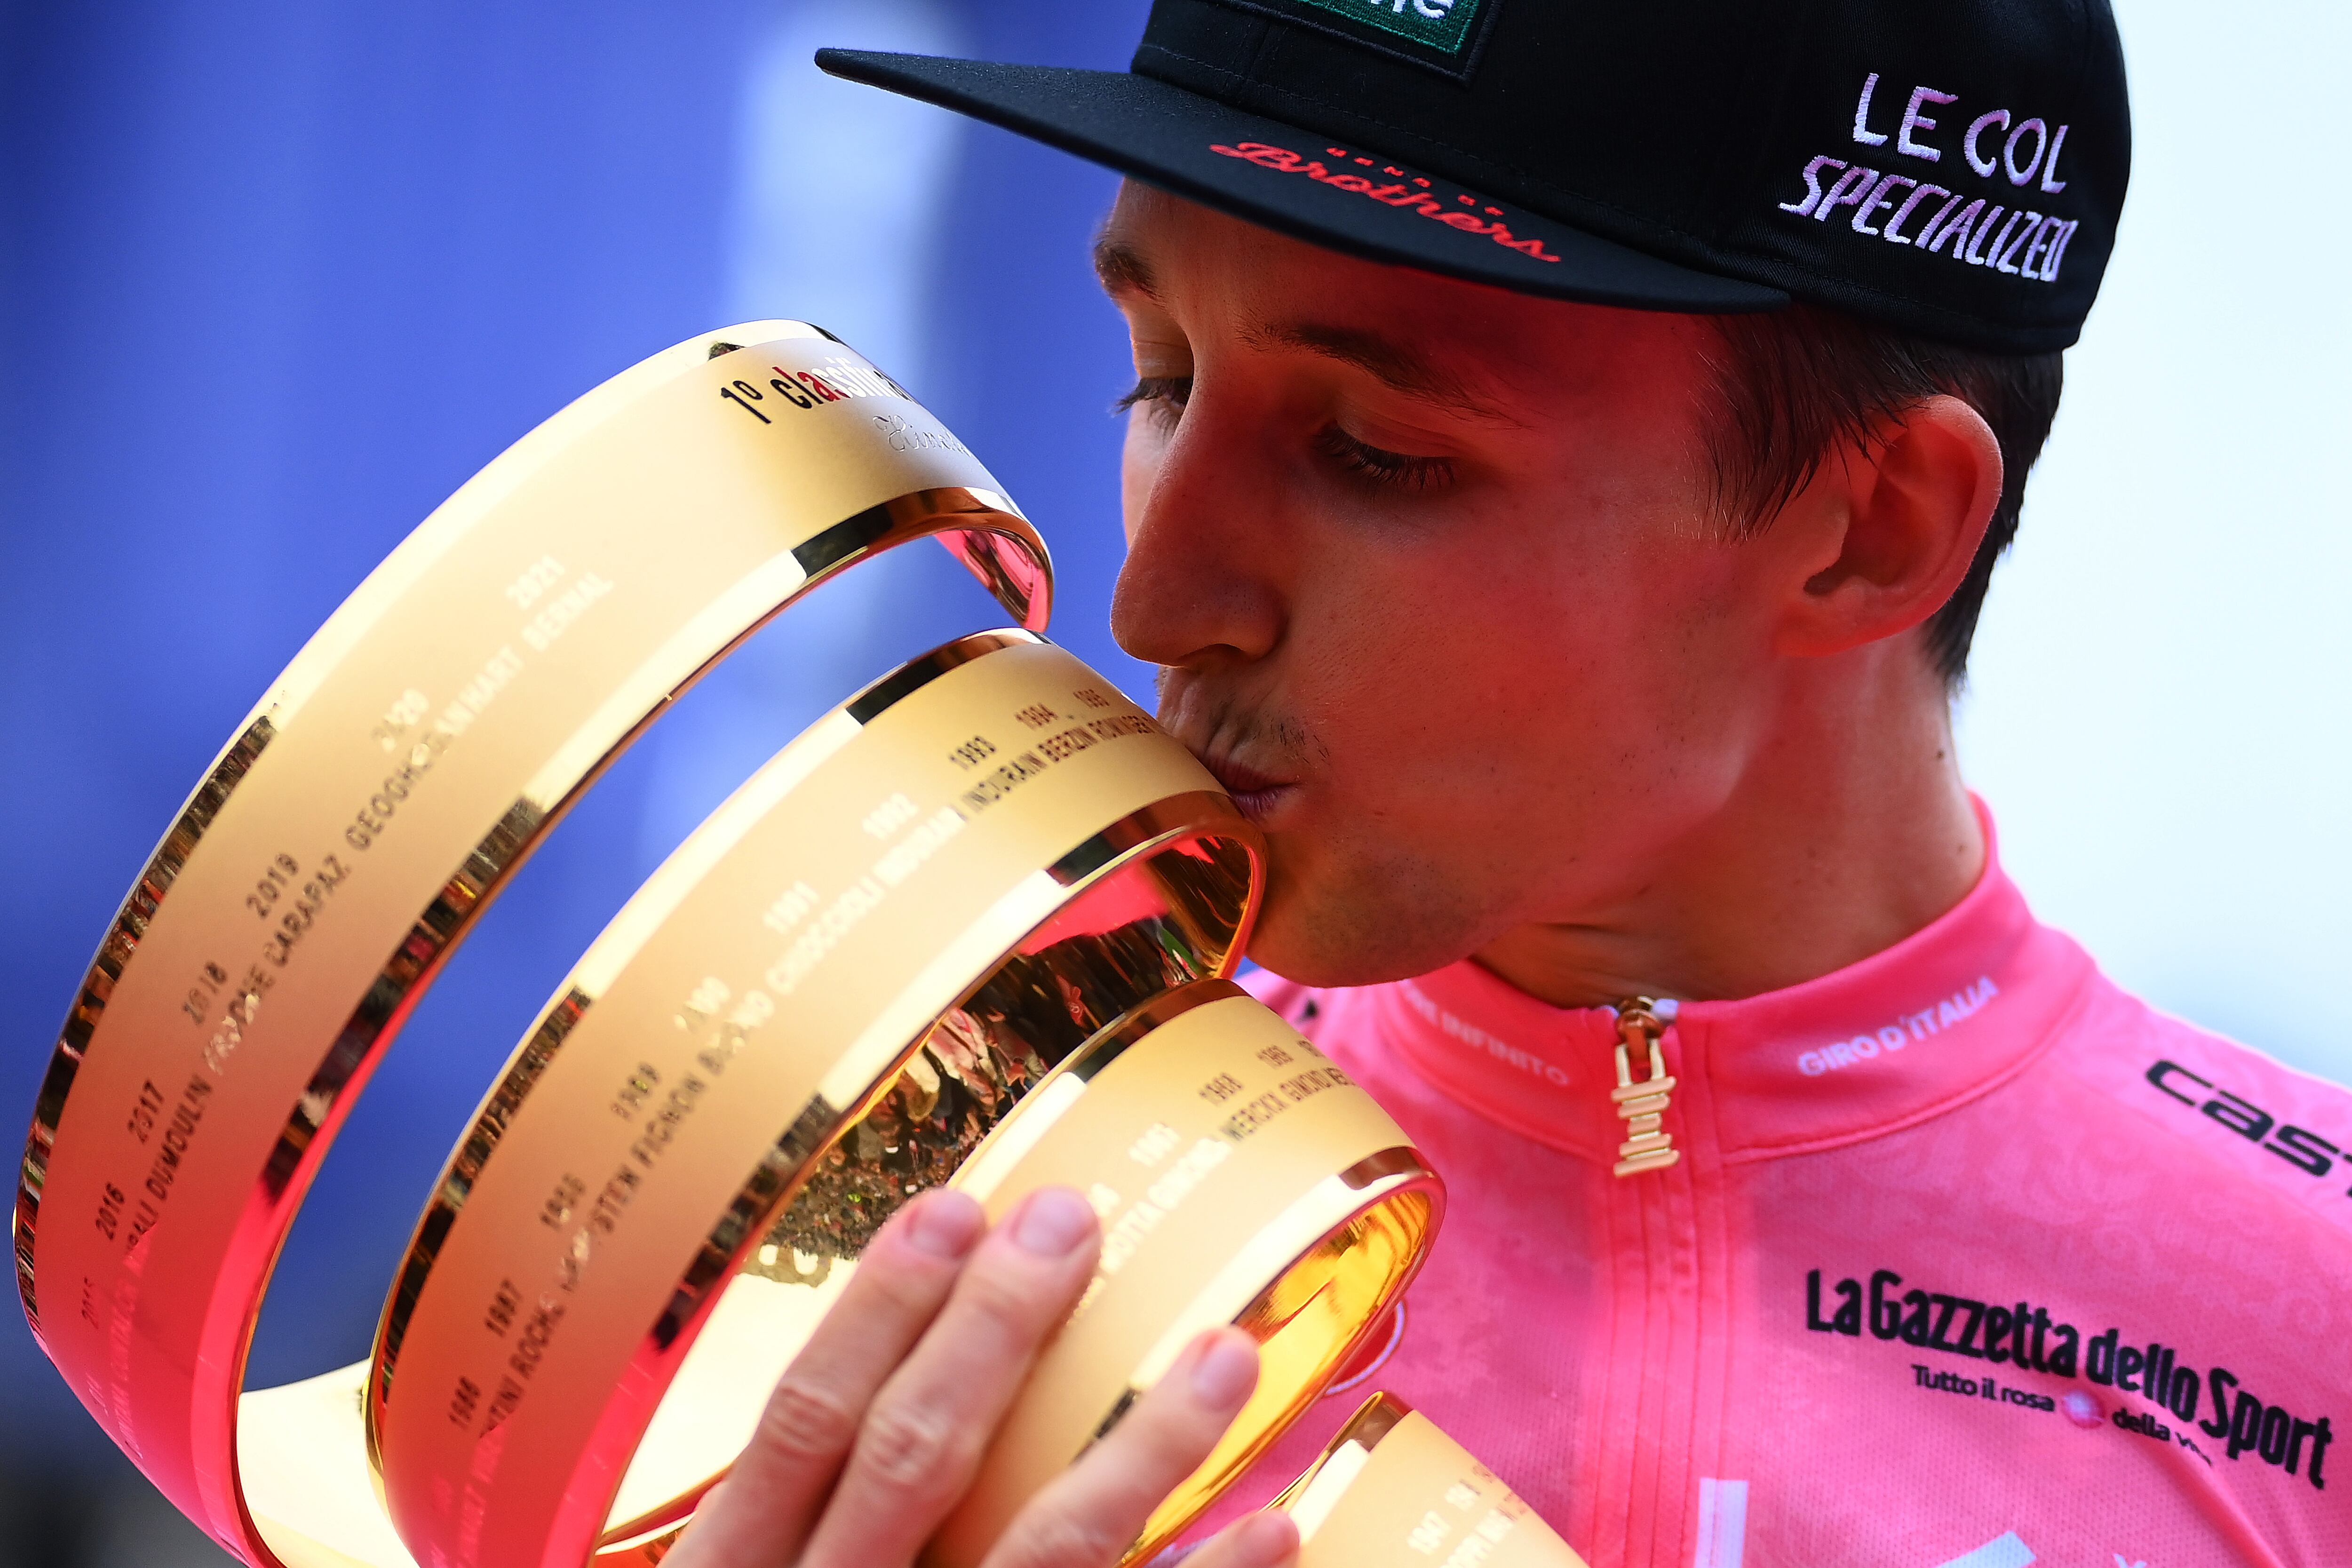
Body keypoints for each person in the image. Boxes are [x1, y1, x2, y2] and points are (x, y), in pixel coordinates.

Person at [672, 2, 2352, 1565]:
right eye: (1162, 374)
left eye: (1377, 452)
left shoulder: (2312, 1318)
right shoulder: (912, 1215)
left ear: (1876, 527)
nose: (1158, 599)